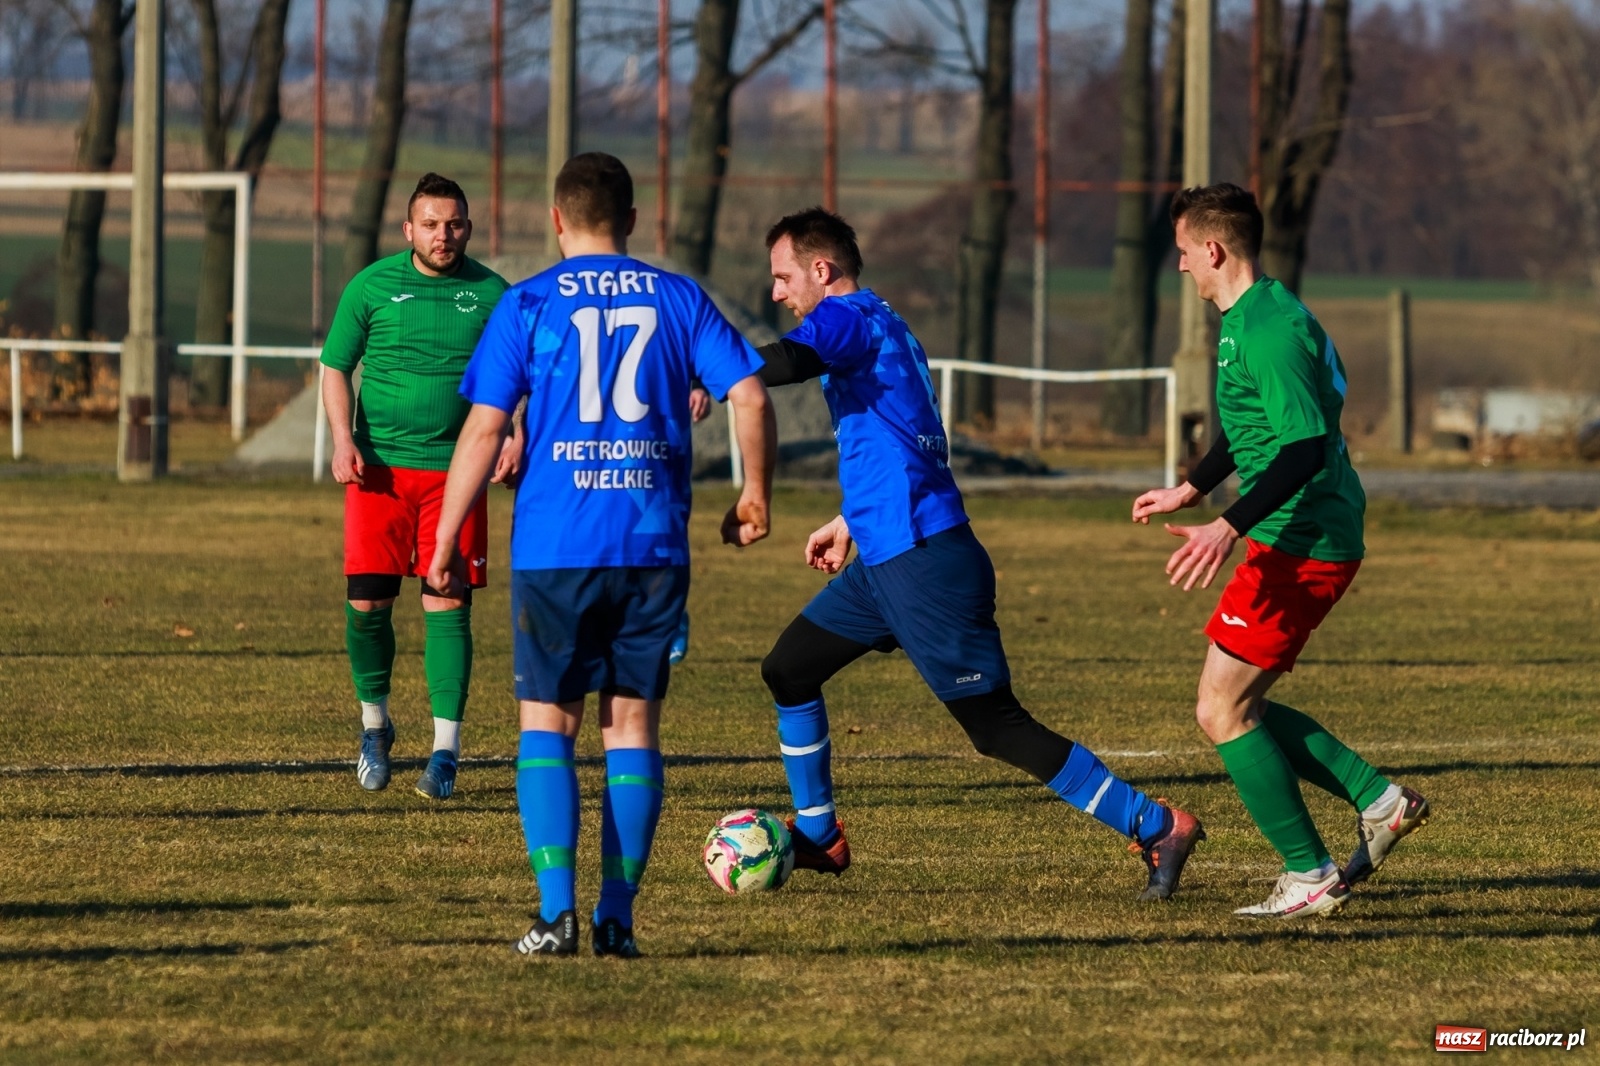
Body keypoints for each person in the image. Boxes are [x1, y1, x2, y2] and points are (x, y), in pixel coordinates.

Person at [753, 207, 1205, 902]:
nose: (778, 292)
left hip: (923, 561)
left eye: (784, 277)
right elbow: (902, 438)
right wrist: (851, 520)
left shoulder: (845, 316)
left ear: (822, 269)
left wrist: (706, 363)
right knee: (789, 669)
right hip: (888, 555)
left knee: (995, 727)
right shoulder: (883, 324)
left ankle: (1156, 824)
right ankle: (820, 835)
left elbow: (788, 361)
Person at [426, 152, 777, 958]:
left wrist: (445, 537)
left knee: (548, 723)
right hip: (650, 545)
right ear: (633, 219)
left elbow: (484, 430)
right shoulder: (679, 297)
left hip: (556, 545)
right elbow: (751, 395)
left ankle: (556, 915)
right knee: (631, 726)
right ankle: (616, 919)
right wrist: (754, 494)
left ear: (557, 220)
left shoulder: (527, 303)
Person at [1132, 183, 1430, 919]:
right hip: (1293, 534)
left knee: (1221, 710)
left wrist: (1227, 526)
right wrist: (1192, 488)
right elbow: (1250, 423)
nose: (1180, 266)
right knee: (1239, 704)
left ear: (1213, 249)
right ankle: (1378, 800)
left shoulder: (1268, 330)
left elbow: (1302, 448)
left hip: (1303, 540)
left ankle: (1310, 874)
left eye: (1183, 253)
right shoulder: (1251, 316)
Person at [321, 172, 516, 801]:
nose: (443, 235)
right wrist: (342, 439)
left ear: (468, 227)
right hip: (378, 472)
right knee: (367, 607)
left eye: (454, 224)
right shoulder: (370, 286)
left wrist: (514, 433)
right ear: (409, 229)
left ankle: (445, 751)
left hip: (457, 474)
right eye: (431, 224)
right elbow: (334, 367)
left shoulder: (492, 293)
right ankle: (375, 726)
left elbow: (523, 375)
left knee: (447, 601)